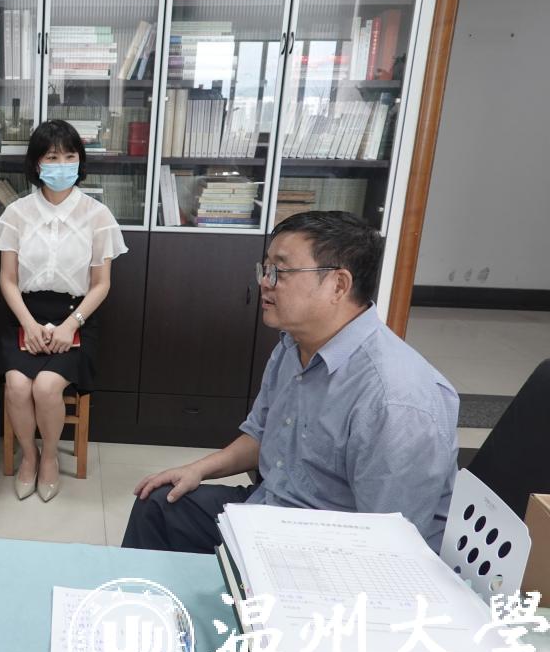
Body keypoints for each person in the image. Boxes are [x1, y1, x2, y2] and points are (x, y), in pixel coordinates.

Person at [122, 210, 459, 553]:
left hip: (335, 549)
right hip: (273, 512)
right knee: (158, 505)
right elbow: (262, 434)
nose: (265, 282)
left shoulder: (395, 399)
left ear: (338, 285)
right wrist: (197, 469)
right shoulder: (293, 346)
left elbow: (385, 543)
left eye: (280, 271)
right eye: (265, 268)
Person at [0, 119, 127, 502]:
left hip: (76, 317)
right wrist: (29, 324)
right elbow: (7, 280)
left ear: (80, 161)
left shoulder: (98, 216)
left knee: (47, 387)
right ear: (36, 163)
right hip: (25, 315)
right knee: (18, 385)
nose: (61, 164)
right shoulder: (17, 213)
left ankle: (49, 457)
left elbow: (101, 284)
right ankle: (28, 456)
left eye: (69, 156)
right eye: (51, 157)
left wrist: (70, 325)